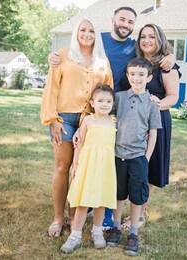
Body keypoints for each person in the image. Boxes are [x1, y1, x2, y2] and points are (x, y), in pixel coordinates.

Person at [49, 6, 176, 230]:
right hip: (92, 110)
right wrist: (54, 56)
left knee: (112, 161)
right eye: (122, 20)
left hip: (122, 113)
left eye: (130, 22)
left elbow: (153, 56)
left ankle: (109, 211)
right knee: (84, 161)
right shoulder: (98, 39)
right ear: (113, 20)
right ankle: (75, 209)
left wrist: (171, 55)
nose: (126, 24)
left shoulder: (134, 47)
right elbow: (75, 50)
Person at [40, 18, 113, 237]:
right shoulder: (63, 55)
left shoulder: (102, 61)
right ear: (76, 32)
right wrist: (51, 118)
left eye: (91, 30)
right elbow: (51, 88)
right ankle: (58, 218)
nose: (87, 34)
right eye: (83, 29)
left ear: (96, 34)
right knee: (63, 167)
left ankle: (74, 218)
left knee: (80, 170)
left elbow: (107, 92)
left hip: (89, 121)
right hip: (64, 119)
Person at [120, 24, 180, 228]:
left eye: (152, 37)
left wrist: (155, 105)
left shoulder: (167, 66)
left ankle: (140, 214)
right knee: (130, 166)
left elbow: (173, 97)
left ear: (160, 39)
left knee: (147, 167)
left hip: (156, 121)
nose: (146, 40)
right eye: (143, 36)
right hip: (132, 121)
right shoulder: (136, 64)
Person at [106, 58, 162, 256]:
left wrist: (146, 157)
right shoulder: (119, 97)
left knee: (137, 195)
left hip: (138, 156)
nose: (136, 78)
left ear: (149, 77)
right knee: (118, 193)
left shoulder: (152, 103)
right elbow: (105, 115)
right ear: (128, 76)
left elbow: (153, 132)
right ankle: (115, 227)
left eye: (141, 75)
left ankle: (134, 233)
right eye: (132, 74)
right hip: (117, 154)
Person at [60, 85, 116, 253]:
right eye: (100, 101)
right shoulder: (88, 120)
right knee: (84, 200)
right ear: (92, 102)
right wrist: (76, 164)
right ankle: (75, 236)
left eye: (108, 101)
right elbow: (80, 144)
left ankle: (97, 232)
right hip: (88, 165)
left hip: (105, 167)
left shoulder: (113, 121)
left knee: (101, 201)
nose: (104, 104)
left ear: (113, 104)